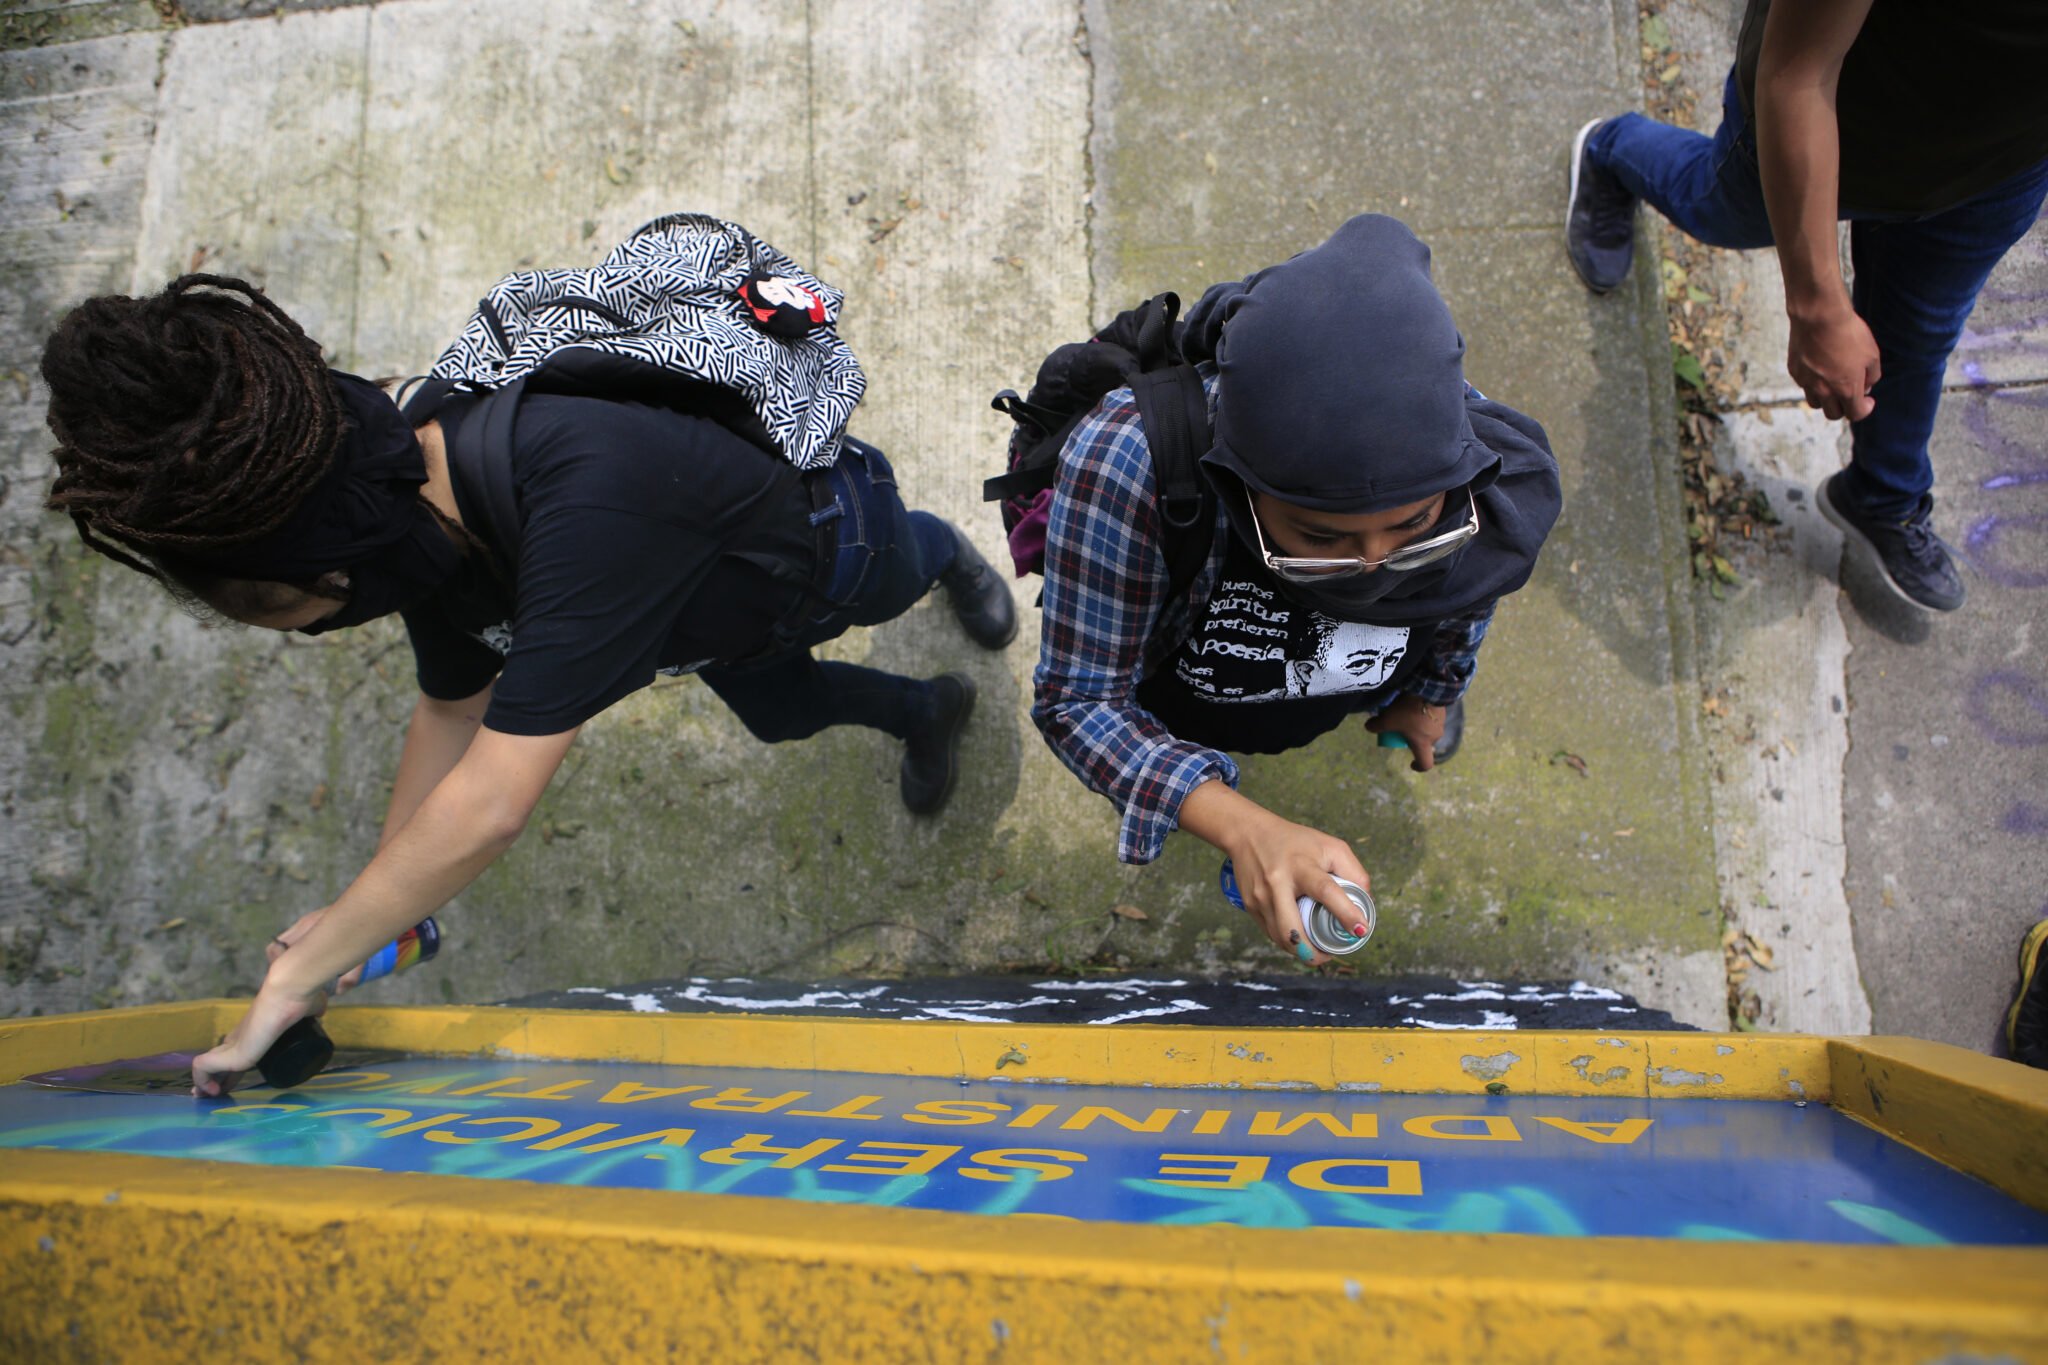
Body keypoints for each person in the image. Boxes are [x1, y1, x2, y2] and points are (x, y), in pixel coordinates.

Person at [34, 275, 1016, 1094]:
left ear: (329, 563)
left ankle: (948, 554)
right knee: (785, 715)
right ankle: (923, 706)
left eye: (281, 613)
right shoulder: (404, 519)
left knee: (896, 565)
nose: (302, 633)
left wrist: (314, 957)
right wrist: (374, 911)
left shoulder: (585, 493)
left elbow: (495, 800)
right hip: (714, 623)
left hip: (825, 546)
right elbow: (453, 705)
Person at [1033, 215, 1562, 965]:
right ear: (1237, 482)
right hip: (1197, 704)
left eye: (1414, 524)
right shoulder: (1130, 464)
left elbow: (1471, 582)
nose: (1377, 567)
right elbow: (1078, 698)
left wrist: (1435, 689)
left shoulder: (1448, 437)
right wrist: (1238, 822)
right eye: (1321, 538)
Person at [1566, 0, 2048, 612]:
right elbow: (1798, 74)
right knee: (1710, 204)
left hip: (2000, 172)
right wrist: (1817, 305)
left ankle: (1883, 497)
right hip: (1833, 131)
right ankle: (1612, 148)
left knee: (1920, 337)